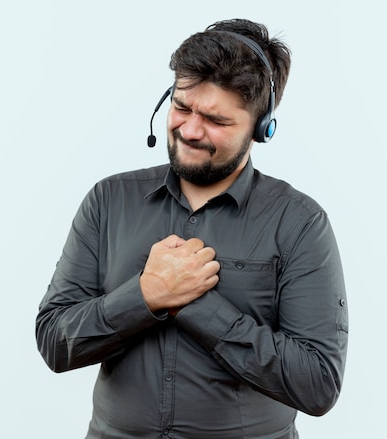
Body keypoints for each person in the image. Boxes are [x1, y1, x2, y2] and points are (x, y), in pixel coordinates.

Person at [36, 18, 348, 439]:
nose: (190, 129)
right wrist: (146, 295)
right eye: (182, 107)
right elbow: (55, 341)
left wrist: (195, 307)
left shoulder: (299, 223)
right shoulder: (108, 201)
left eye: (216, 120)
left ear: (261, 128)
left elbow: (317, 384)